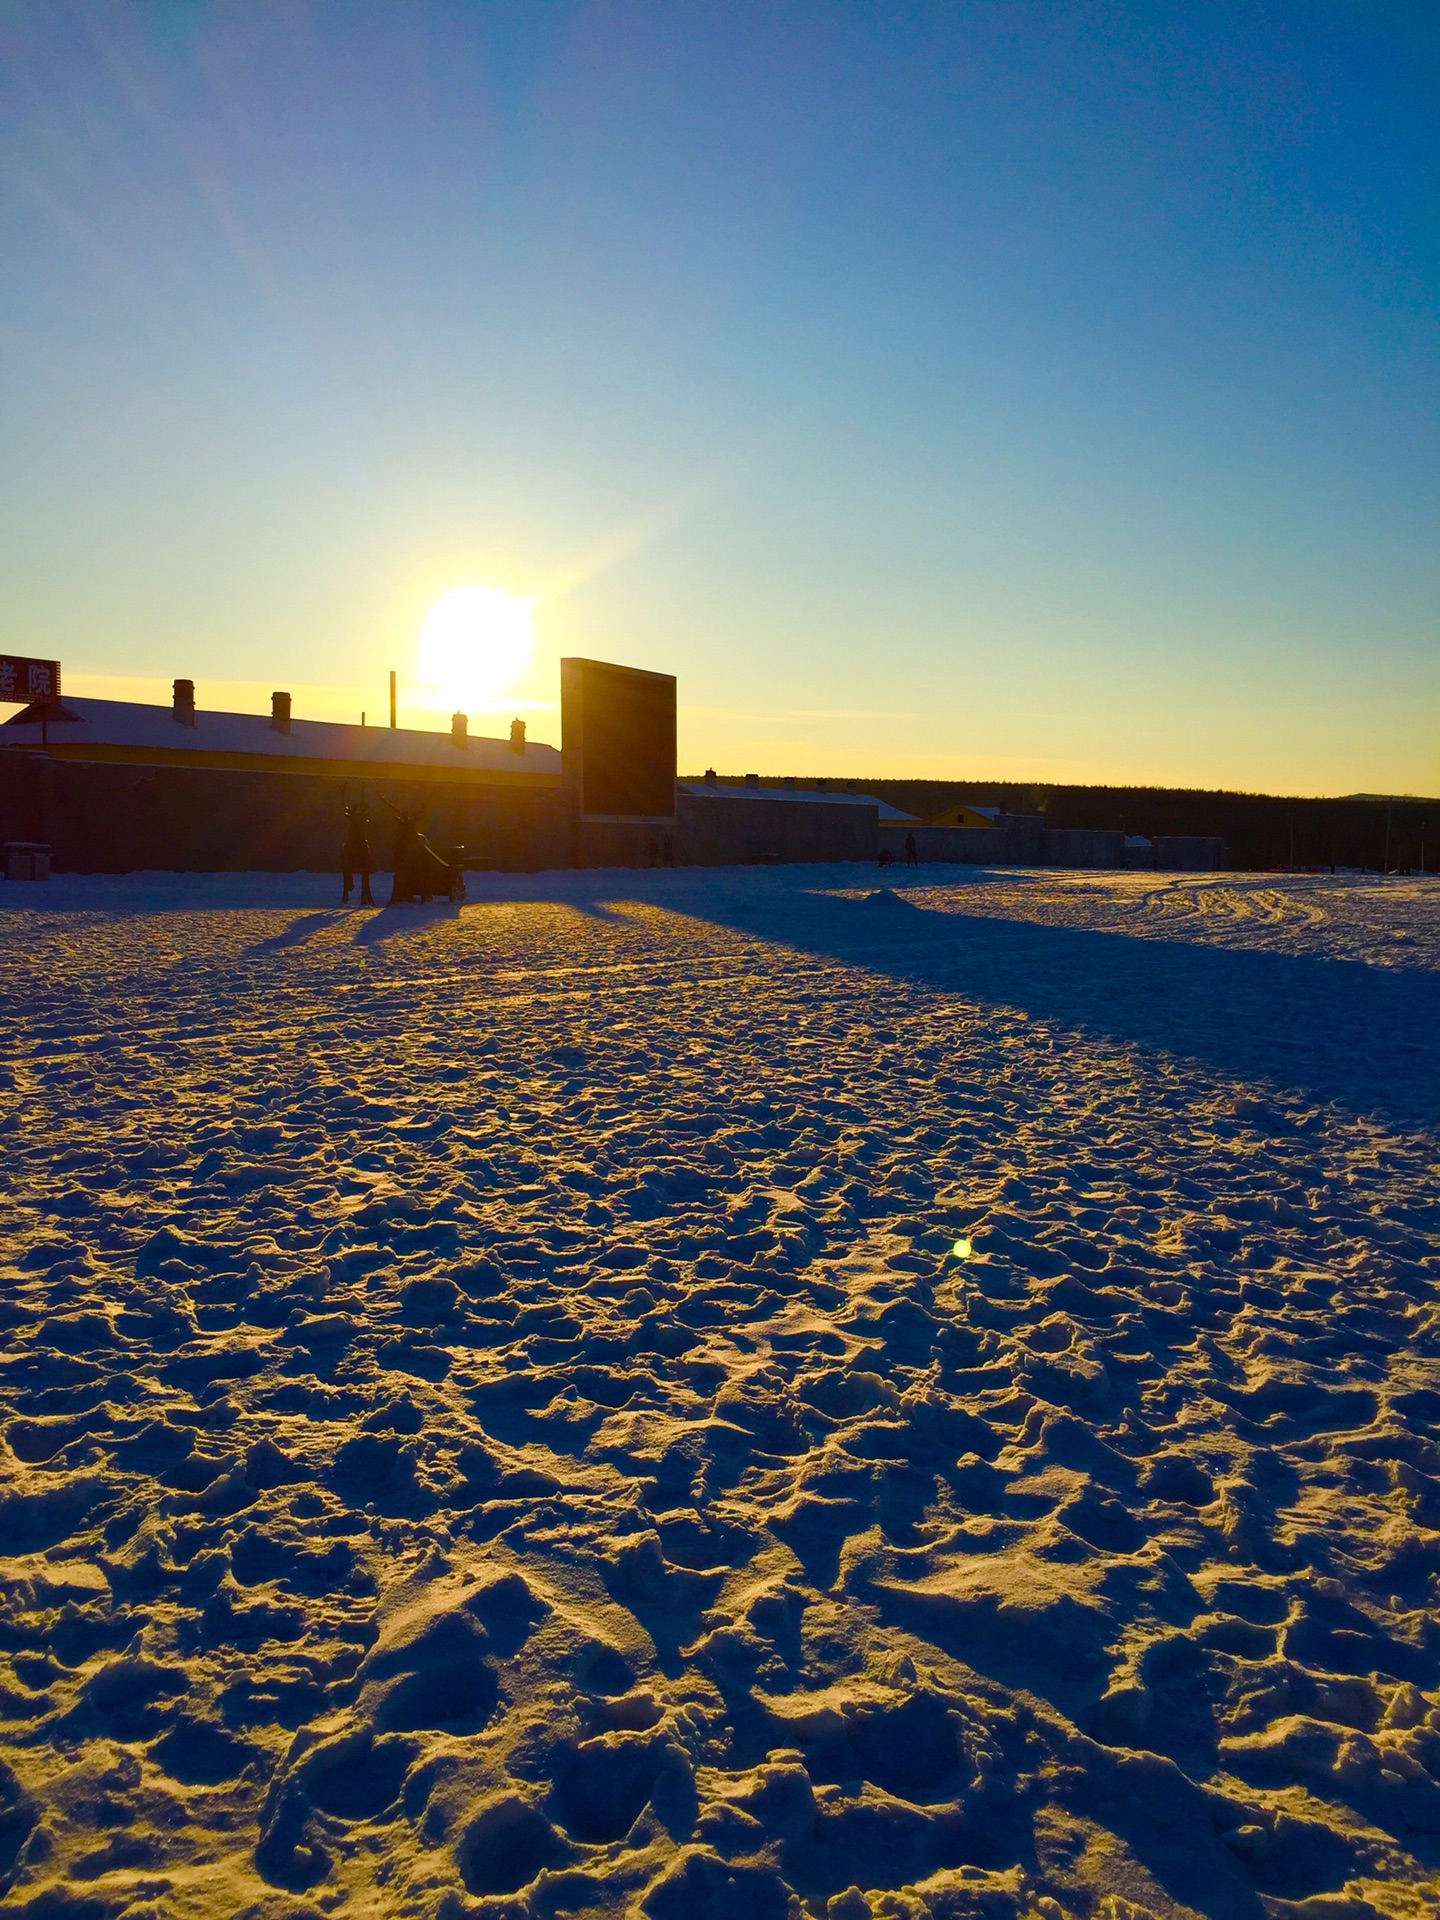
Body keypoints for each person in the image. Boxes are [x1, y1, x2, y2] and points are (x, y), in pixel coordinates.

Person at [342, 798, 375, 906]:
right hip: (357, 844)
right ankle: (350, 892)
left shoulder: (358, 818)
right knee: (346, 855)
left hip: (358, 844)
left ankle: (361, 895)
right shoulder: (357, 818)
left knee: (346, 854)